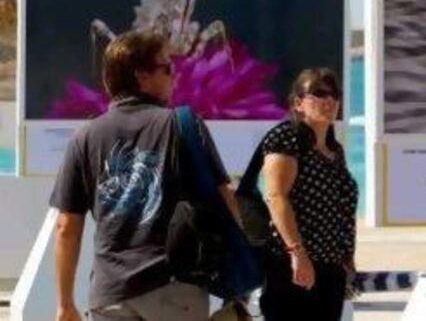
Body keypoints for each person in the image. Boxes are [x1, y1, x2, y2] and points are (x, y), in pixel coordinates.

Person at [50, 31, 240, 321]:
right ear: (142, 77)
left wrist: (65, 304)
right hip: (174, 289)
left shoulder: (85, 137)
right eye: (167, 69)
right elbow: (226, 205)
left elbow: (66, 227)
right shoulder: (183, 126)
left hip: (109, 293)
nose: (174, 77)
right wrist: (238, 280)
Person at [259, 68, 358, 321]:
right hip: (293, 266)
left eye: (334, 94)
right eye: (319, 93)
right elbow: (276, 196)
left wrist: (347, 257)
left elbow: (338, 209)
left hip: (331, 271)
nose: (329, 100)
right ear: (298, 103)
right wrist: (297, 254)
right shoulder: (286, 138)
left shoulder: (336, 151)